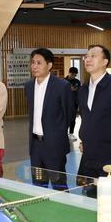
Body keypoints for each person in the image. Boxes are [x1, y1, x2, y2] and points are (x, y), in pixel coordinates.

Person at [25, 48, 74, 190]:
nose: (34, 66)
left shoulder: (62, 86)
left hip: (54, 146)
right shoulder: (29, 86)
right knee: (38, 186)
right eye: (33, 62)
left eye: (39, 63)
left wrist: (56, 134)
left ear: (49, 65)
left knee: (59, 187)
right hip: (35, 146)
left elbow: (69, 114)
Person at [77, 45, 111, 191]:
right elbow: (87, 119)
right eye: (86, 56)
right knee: (89, 196)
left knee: (108, 197)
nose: (88, 59)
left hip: (109, 156)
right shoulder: (83, 89)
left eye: (93, 56)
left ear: (105, 62)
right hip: (88, 155)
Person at [65, 66, 81, 142]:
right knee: (65, 119)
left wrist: (79, 104)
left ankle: (71, 133)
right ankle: (64, 133)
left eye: (75, 75)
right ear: (69, 73)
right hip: (65, 103)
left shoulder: (77, 82)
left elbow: (79, 92)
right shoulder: (63, 81)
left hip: (74, 103)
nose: (73, 76)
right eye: (72, 74)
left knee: (73, 119)